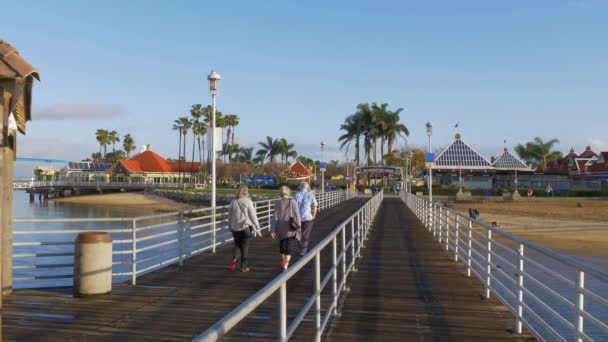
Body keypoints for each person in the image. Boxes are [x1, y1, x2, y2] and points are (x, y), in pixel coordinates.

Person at [228, 185, 261, 273]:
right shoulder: (248, 201)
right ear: (246, 192)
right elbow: (253, 216)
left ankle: (234, 259)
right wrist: (257, 227)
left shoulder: (233, 202)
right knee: (244, 247)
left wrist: (229, 226)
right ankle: (244, 267)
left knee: (236, 245)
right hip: (245, 227)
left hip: (235, 228)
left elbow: (230, 216)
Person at [271, 186, 302, 271]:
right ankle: (286, 264)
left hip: (280, 227)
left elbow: (274, 217)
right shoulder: (293, 201)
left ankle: (283, 261)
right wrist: (299, 227)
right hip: (290, 227)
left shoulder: (277, 202)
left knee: (282, 246)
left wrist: (273, 229)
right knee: (289, 246)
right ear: (288, 192)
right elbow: (297, 215)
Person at [294, 181, 319, 256]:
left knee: (298, 233)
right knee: (305, 235)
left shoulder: (296, 194)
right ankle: (303, 251)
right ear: (307, 187)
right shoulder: (310, 195)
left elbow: (292, 206)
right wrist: (314, 215)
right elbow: (315, 206)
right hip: (308, 217)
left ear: (300, 186)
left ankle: (300, 246)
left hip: (297, 217)